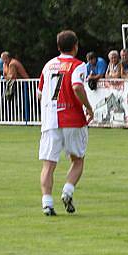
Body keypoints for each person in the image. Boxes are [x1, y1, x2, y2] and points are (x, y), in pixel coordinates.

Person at [36, 30, 94, 216]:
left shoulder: (48, 65)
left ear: (58, 47)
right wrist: (88, 107)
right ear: (75, 46)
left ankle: (47, 203)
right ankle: (67, 191)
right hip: (73, 119)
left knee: (49, 165)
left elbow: (39, 93)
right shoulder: (78, 65)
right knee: (77, 160)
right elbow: (77, 86)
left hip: (51, 120)